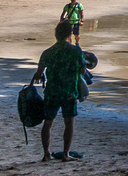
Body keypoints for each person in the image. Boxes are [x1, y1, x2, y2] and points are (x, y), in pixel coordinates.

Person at [32, 20, 88, 162]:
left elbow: (39, 74)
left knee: (48, 122)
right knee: (69, 122)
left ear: (56, 34)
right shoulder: (76, 51)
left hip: (52, 91)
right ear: (69, 34)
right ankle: (65, 154)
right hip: (69, 91)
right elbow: (82, 70)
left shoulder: (47, 53)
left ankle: (46, 154)